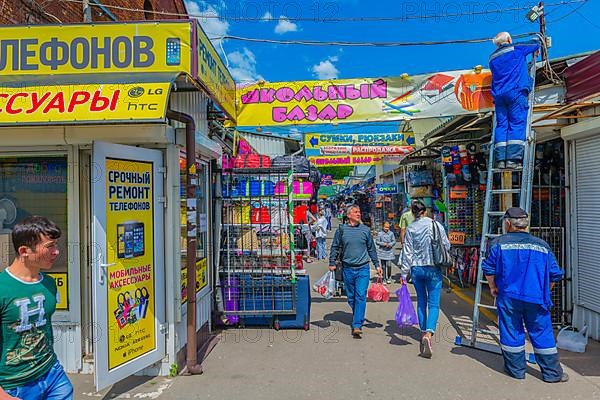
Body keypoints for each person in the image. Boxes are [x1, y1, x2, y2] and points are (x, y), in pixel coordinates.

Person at [482, 207, 568, 383]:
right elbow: (554, 274)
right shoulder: (542, 246)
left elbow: (488, 268)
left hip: (508, 297)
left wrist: (492, 287)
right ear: (526, 225)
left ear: (507, 223)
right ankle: (552, 374)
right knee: (542, 333)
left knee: (511, 332)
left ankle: (516, 371)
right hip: (536, 298)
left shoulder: (498, 243)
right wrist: (546, 291)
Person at [0, 216, 74, 399]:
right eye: (49, 246)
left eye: (56, 245)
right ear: (24, 250)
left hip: (53, 374)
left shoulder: (49, 284)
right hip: (14, 386)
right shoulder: (3, 289)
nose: (56, 252)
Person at [401, 200, 450, 358]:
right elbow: (446, 245)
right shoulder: (435, 225)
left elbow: (407, 252)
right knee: (434, 304)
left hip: (416, 269)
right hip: (433, 268)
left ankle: (423, 334)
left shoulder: (411, 228)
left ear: (413, 212)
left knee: (421, 301)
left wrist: (403, 274)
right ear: (425, 211)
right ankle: (429, 334)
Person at [329, 205, 382, 339]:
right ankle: (357, 314)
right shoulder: (341, 230)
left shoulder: (365, 230)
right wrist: (331, 262)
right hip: (347, 268)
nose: (359, 214)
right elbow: (335, 247)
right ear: (348, 215)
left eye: (359, 211)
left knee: (360, 296)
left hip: (363, 268)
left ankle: (357, 324)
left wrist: (377, 264)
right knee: (351, 297)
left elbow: (372, 249)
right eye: (355, 212)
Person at [490, 31, 540, 169]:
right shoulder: (516, 48)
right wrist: (538, 38)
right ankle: (513, 159)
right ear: (509, 39)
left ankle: (501, 160)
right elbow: (534, 44)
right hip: (515, 92)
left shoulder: (492, 58)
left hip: (499, 96)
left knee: (502, 126)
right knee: (517, 123)